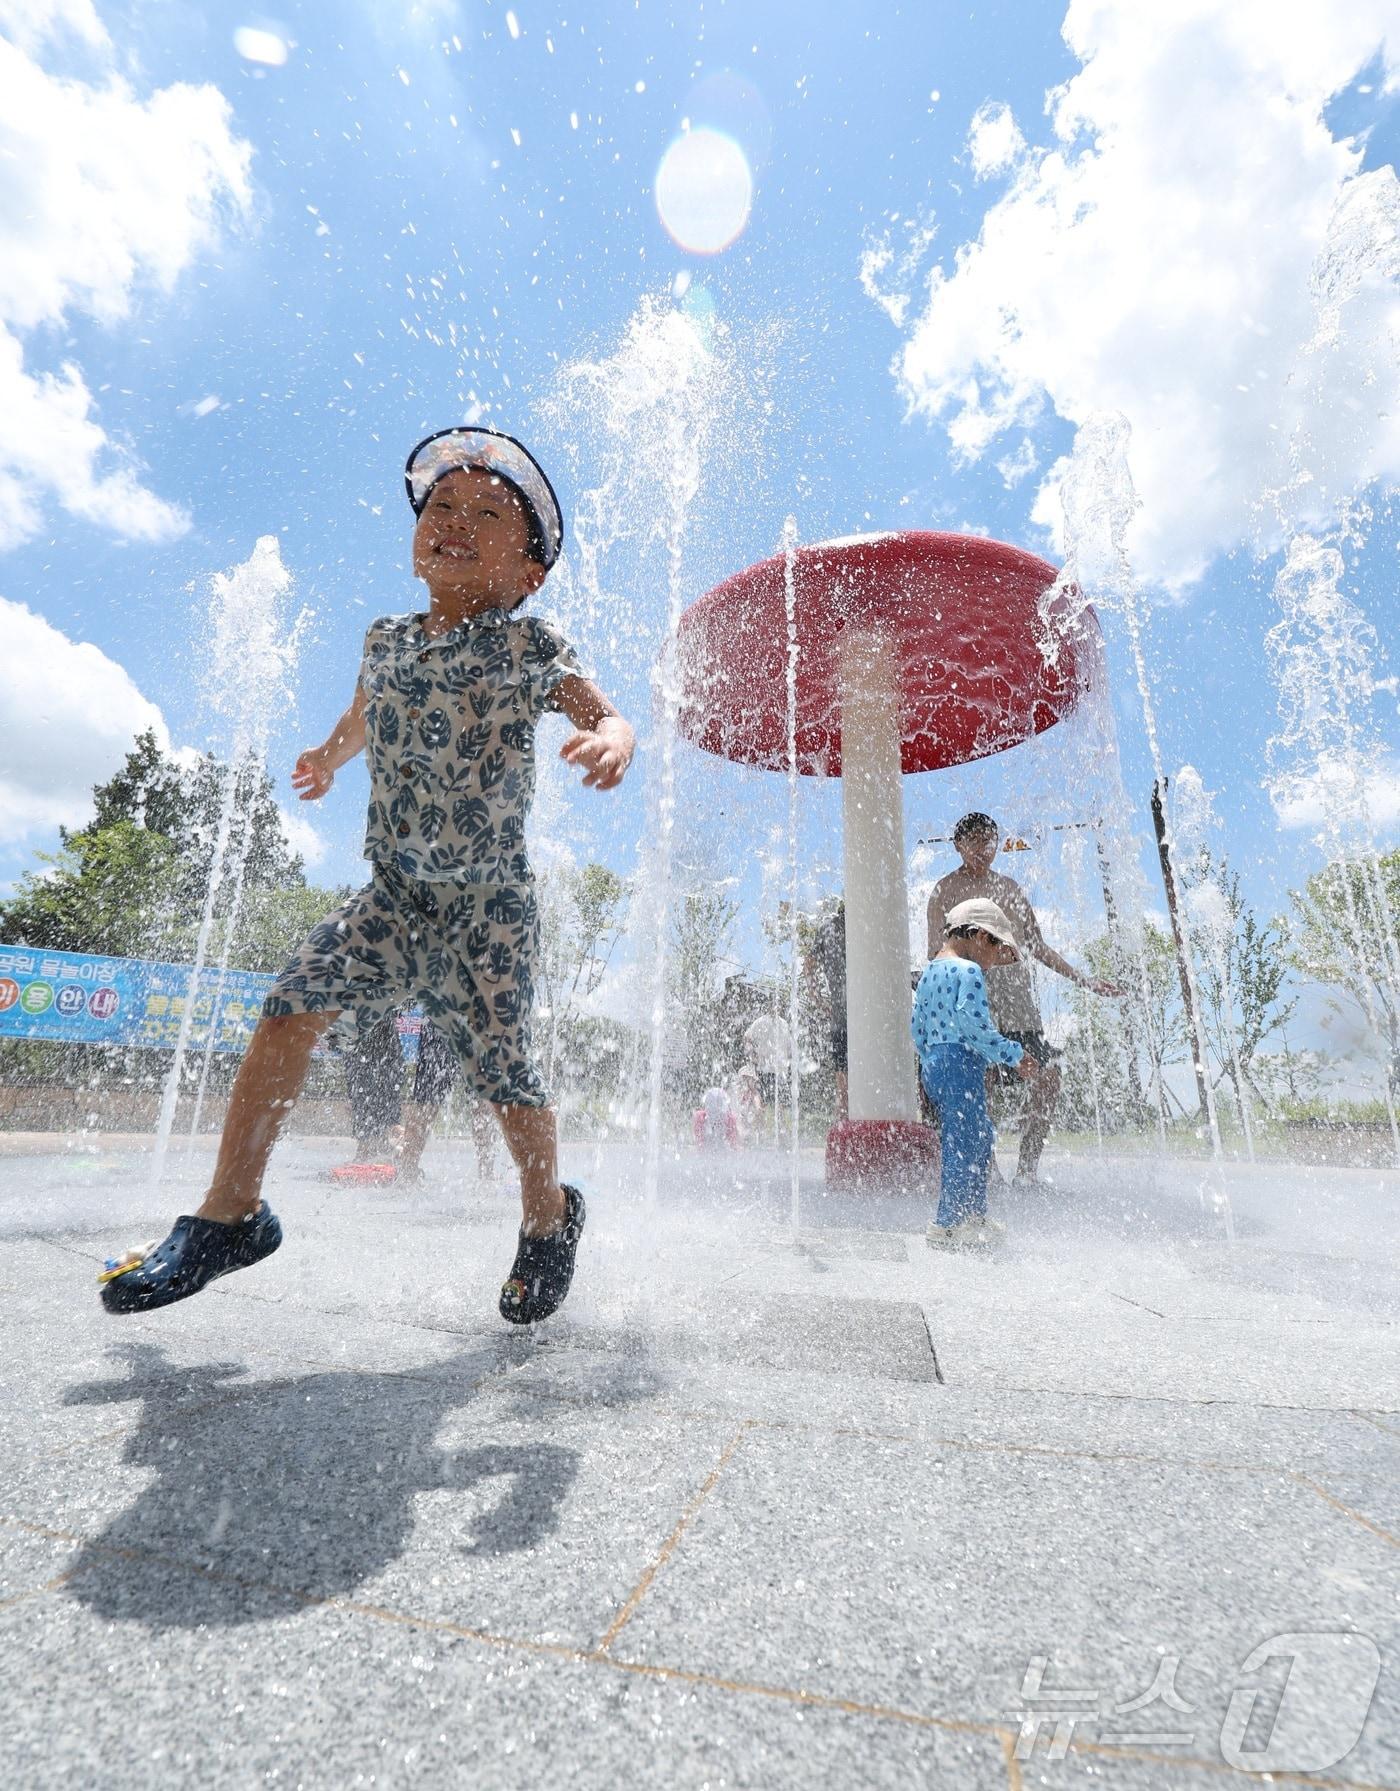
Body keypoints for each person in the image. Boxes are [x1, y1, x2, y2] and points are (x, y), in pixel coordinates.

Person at [99, 426, 635, 1326]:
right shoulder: (383, 638)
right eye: (442, 507)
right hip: (394, 897)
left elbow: (602, 707)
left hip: (487, 907)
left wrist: (613, 739)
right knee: (289, 1003)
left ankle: (549, 1216)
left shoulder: (528, 644)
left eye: (488, 513)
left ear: (528, 572)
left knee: (506, 1074)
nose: (456, 520)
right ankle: (231, 1212)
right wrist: (330, 756)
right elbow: (362, 714)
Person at [926, 813, 1120, 1188]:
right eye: (976, 842)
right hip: (974, 1004)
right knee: (981, 1085)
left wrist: (1085, 980)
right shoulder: (943, 892)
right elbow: (937, 951)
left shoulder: (1010, 890)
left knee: (1048, 1079)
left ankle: (1028, 1170)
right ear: (958, 845)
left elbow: (1038, 947)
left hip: (1018, 1006)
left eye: (990, 842)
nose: (984, 850)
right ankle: (989, 1169)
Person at [913, 898, 1040, 1249]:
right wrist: (1014, 1055)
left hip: (936, 1064)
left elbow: (917, 1027)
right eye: (997, 952)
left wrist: (929, 1064)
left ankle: (973, 1215)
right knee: (963, 1142)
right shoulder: (968, 972)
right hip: (960, 1062)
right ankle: (947, 1224)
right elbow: (975, 1028)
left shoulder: (928, 973)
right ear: (981, 937)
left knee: (978, 1135)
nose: (994, 964)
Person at [395, 1017, 500, 1188]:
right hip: (475, 1019)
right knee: (480, 1103)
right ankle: (486, 1173)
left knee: (426, 1102)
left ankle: (407, 1171)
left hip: (443, 1015)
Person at [804, 896, 848, 1121]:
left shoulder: (828, 929)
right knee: (853, 1086)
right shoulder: (862, 926)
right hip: (860, 1015)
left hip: (840, 1014)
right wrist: (817, 998)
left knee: (844, 1089)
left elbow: (808, 963)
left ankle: (842, 1141)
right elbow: (809, 963)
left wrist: (816, 996)